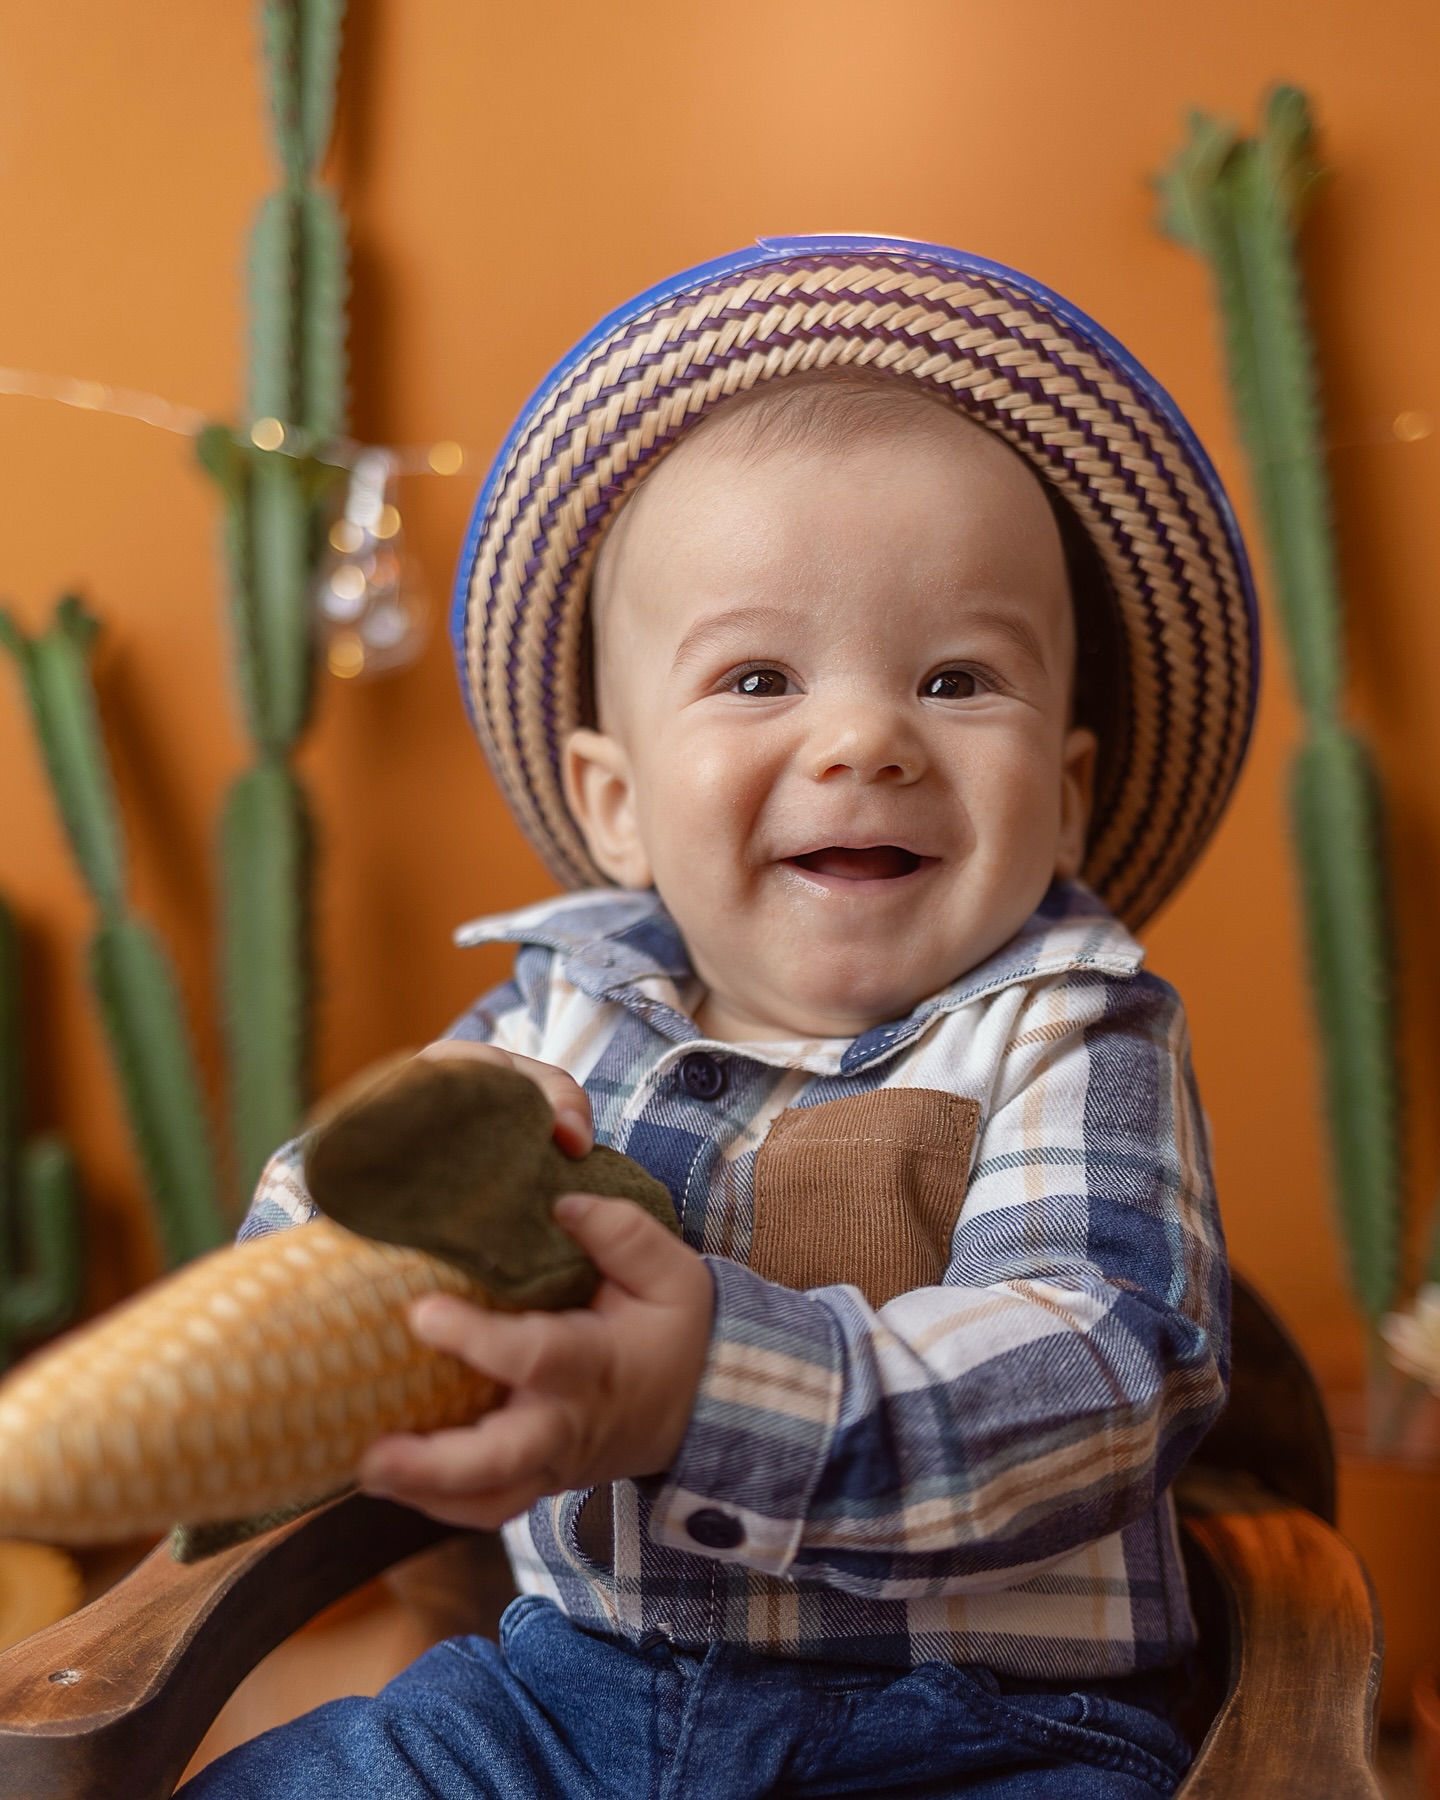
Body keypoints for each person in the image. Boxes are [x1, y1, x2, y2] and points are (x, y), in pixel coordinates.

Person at [189, 236, 1256, 1798]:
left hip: (987, 1733)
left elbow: (1102, 1370)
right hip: (574, 1701)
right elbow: (308, 1294)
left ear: (1069, 796)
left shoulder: (1072, 1030)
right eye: (759, 678)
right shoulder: (559, 1014)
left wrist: (705, 1392)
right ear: (615, 804)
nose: (865, 737)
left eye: (959, 681)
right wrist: (377, 1190)